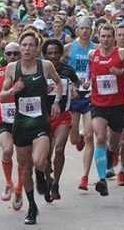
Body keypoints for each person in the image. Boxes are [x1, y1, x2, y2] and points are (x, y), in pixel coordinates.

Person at [0, 31, 63, 225]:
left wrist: (56, 102)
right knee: (25, 169)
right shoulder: (12, 68)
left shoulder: (45, 66)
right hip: (21, 125)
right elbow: (2, 95)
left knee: (39, 160)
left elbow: (59, 83)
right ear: (20, 47)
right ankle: (32, 206)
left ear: (37, 49)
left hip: (40, 123)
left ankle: (41, 174)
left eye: (31, 45)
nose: (27, 49)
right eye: (24, 45)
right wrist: (13, 90)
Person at [84, 24, 124, 197]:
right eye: (103, 36)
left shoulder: (122, 54)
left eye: (109, 36)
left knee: (113, 143)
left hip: (118, 105)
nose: (106, 39)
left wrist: (123, 72)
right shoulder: (93, 54)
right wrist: (88, 80)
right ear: (98, 37)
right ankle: (102, 180)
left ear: (114, 38)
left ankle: (112, 153)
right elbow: (90, 69)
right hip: (98, 104)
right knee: (100, 137)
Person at [0, 42, 24, 210]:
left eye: (16, 53)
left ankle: (19, 188)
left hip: (23, 119)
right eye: (9, 54)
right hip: (3, 119)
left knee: (23, 159)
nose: (12, 57)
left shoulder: (26, 72)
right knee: (7, 150)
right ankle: (8, 183)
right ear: (4, 56)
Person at [42, 39, 79, 200]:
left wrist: (75, 90)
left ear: (61, 54)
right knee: (45, 155)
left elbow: (76, 84)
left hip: (63, 115)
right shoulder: (39, 70)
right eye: (50, 53)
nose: (53, 56)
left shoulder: (67, 71)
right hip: (43, 117)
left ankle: (56, 183)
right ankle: (47, 179)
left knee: (59, 149)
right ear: (45, 55)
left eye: (56, 53)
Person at [63, 17, 95, 191]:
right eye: (81, 28)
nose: (84, 31)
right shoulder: (69, 48)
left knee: (91, 136)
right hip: (74, 96)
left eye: (87, 28)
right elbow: (60, 68)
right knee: (74, 140)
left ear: (91, 31)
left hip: (90, 96)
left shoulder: (96, 49)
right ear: (77, 30)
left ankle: (85, 177)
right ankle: (79, 136)